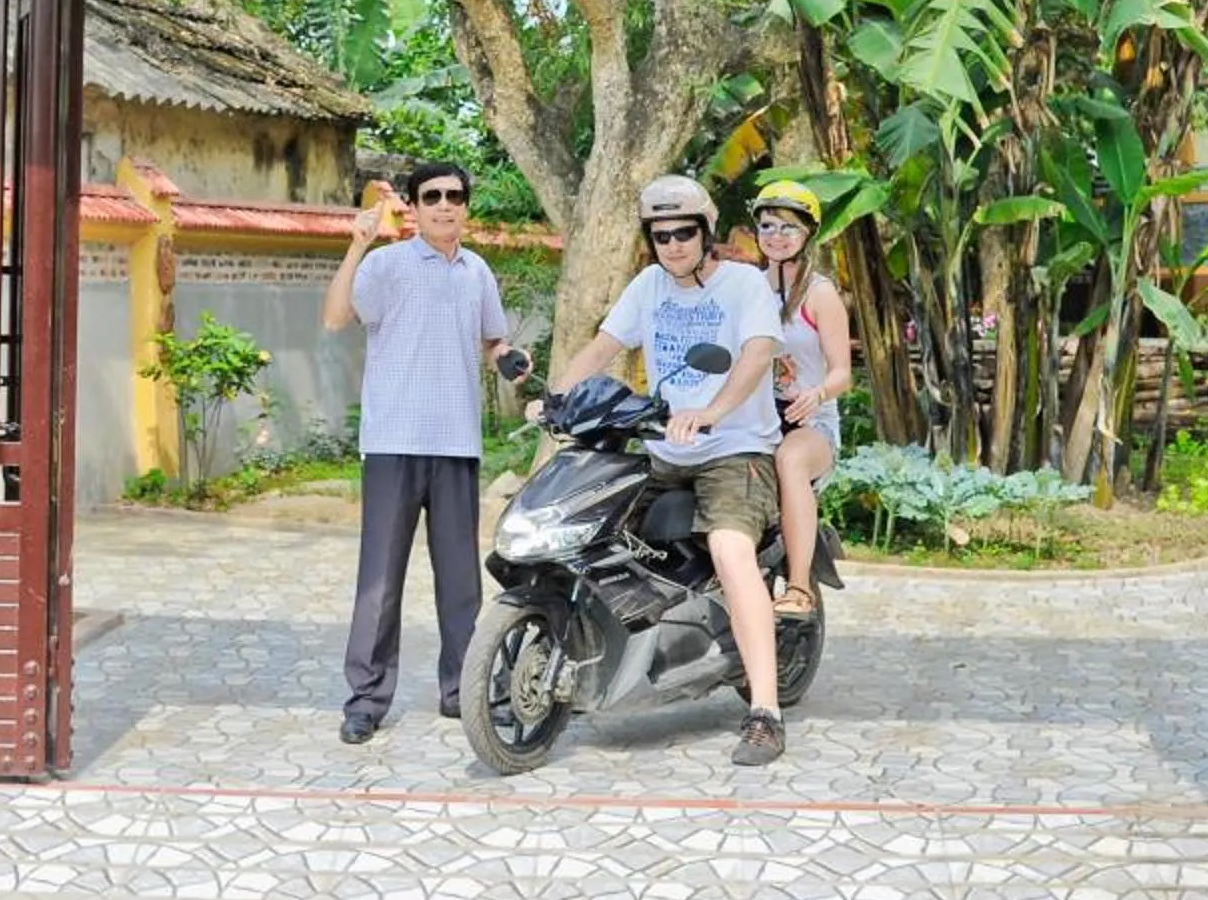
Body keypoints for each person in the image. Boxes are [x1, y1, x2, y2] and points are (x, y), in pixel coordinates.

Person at [553, 173, 792, 766]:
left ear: (706, 231)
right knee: (586, 525)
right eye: (661, 235)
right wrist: (557, 395)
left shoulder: (743, 286)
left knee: (731, 550)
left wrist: (713, 411)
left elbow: (758, 354)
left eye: (685, 232)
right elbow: (605, 345)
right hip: (664, 450)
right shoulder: (648, 286)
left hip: (734, 450)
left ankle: (765, 710)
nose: (674, 245)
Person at [321, 159, 512, 745]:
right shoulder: (386, 265)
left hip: (457, 445)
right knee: (379, 580)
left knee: (461, 584)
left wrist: (509, 358)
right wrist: (356, 245)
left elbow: (492, 340)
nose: (445, 205)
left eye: (455, 195)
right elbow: (334, 319)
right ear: (414, 206)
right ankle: (366, 699)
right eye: (432, 196)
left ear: (466, 205)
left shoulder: (477, 272)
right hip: (393, 444)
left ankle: (462, 692)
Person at [749, 180, 851, 623]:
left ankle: (799, 586)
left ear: (808, 233)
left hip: (810, 424)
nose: (776, 236)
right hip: (755, 419)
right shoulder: (746, 287)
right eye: (767, 225)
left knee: (790, 460)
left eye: (788, 227)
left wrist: (817, 393)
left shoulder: (820, 293)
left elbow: (843, 373)